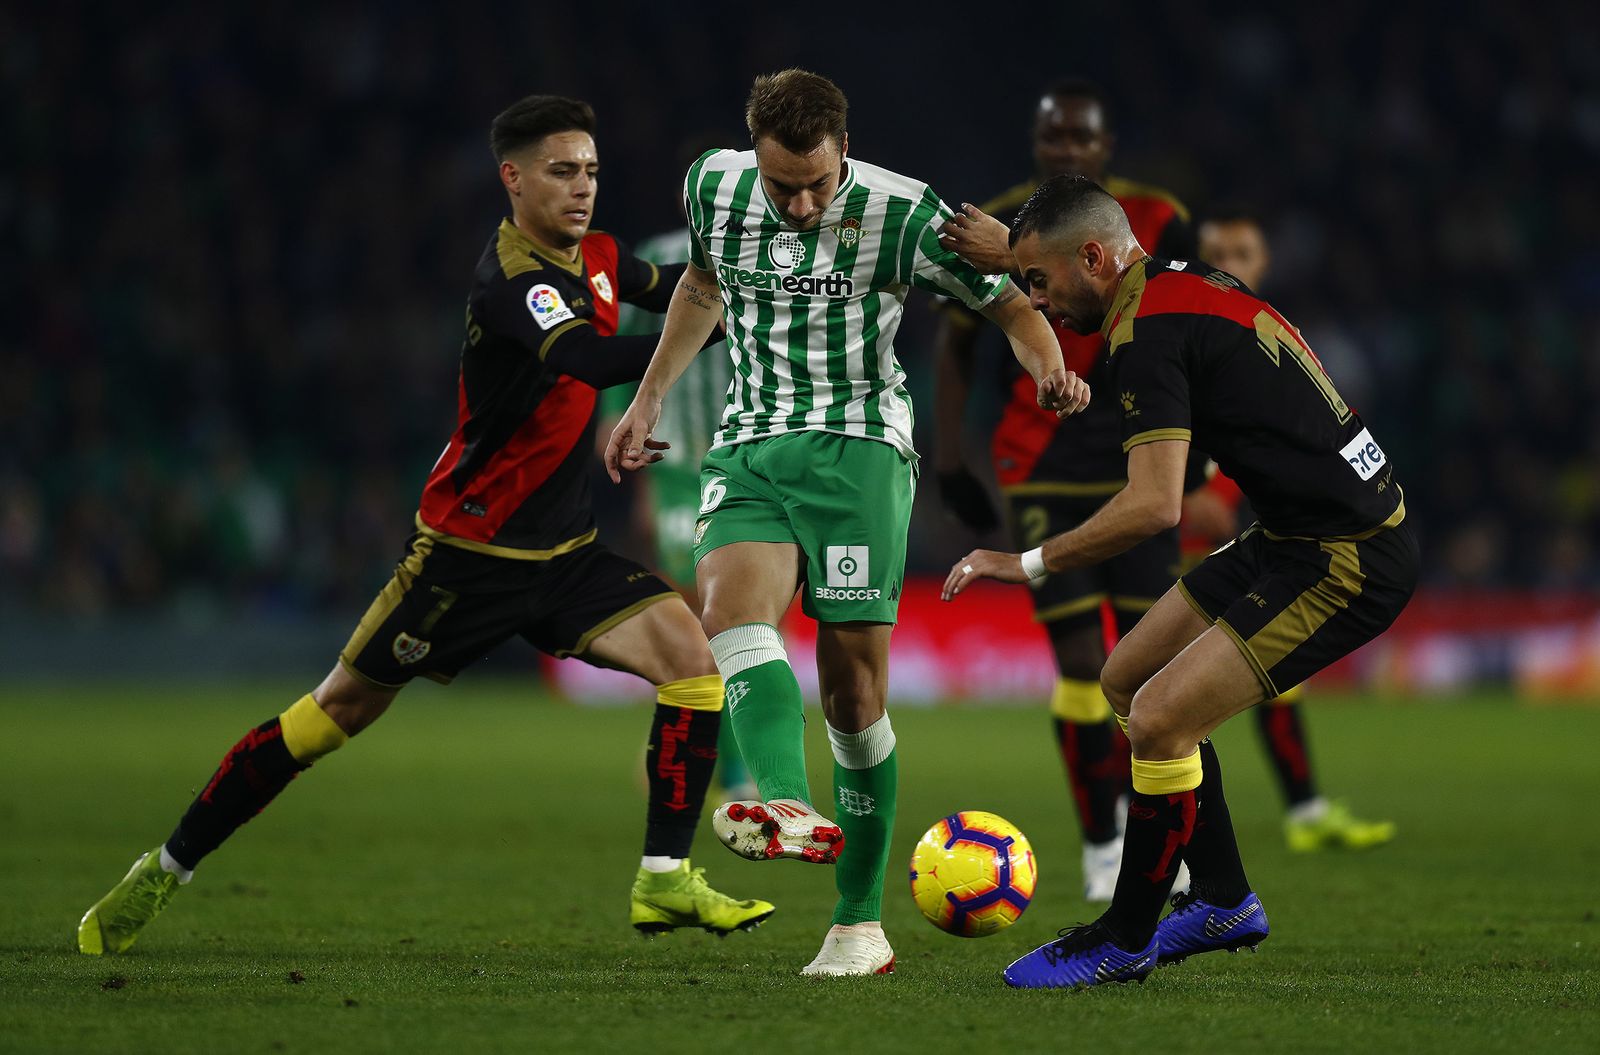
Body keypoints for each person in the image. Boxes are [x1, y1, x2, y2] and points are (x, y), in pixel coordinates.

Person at [76, 95, 774, 956]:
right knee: (329, 716)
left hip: (563, 556)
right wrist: (712, 327)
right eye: (562, 171)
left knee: (692, 665)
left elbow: (673, 287)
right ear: (512, 178)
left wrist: (750, 273)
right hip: (465, 559)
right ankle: (165, 866)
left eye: (591, 171)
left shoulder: (598, 256)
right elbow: (590, 360)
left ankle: (664, 878)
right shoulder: (512, 280)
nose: (582, 187)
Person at [605, 69, 1086, 976]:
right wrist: (651, 397)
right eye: (782, 185)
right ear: (752, 155)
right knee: (730, 614)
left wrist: (1049, 366)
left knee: (853, 699)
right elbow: (702, 286)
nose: (800, 203)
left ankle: (859, 923)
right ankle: (785, 803)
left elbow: (1009, 302)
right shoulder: (712, 186)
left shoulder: (904, 213)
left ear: (845, 151)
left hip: (859, 449)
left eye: (818, 183)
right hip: (749, 441)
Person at [941, 175, 1417, 988]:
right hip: (1288, 535)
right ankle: (1224, 898)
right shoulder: (1178, 283)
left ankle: (1124, 937)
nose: (1039, 303)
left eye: (1042, 282)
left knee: (1161, 717)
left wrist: (1025, 562)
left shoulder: (1146, 332)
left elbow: (1153, 506)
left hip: (1347, 556)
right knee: (1126, 677)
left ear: (1095, 259)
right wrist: (1015, 252)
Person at [934, 78, 1196, 901]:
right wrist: (949, 458)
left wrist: (1205, 462)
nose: (1069, 150)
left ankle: (1162, 831)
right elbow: (956, 348)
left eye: (1083, 138)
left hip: (1138, 452)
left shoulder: (1158, 217)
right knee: (1083, 661)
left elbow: (1186, 316)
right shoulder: (997, 225)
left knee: (1153, 660)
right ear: (1037, 142)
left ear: (1106, 146)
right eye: (1056, 138)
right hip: (1038, 457)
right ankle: (1102, 842)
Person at [1190, 208, 1396, 852]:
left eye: (1242, 253)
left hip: (1255, 538)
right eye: (1216, 253)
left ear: (1264, 263)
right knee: (1155, 696)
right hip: (1173, 544)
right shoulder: (1186, 342)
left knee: (1266, 680)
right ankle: (1141, 830)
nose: (1229, 264)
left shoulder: (1276, 337)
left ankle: (1301, 812)